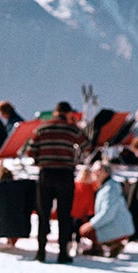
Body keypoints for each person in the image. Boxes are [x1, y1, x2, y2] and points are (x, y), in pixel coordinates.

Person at [28, 103, 86, 263]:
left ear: (55, 112)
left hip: (46, 174)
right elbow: (87, 145)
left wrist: (42, 158)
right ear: (68, 113)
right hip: (65, 175)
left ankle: (41, 252)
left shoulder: (41, 128)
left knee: (43, 214)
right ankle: (62, 253)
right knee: (64, 215)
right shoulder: (71, 129)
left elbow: (30, 151)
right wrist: (75, 126)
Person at [77, 161, 133, 257]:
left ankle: (113, 244)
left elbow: (107, 213)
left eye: (99, 170)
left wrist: (91, 224)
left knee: (85, 230)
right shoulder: (104, 186)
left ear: (107, 173)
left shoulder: (110, 189)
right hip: (117, 224)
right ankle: (103, 245)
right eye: (94, 170)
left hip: (119, 226)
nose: (95, 172)